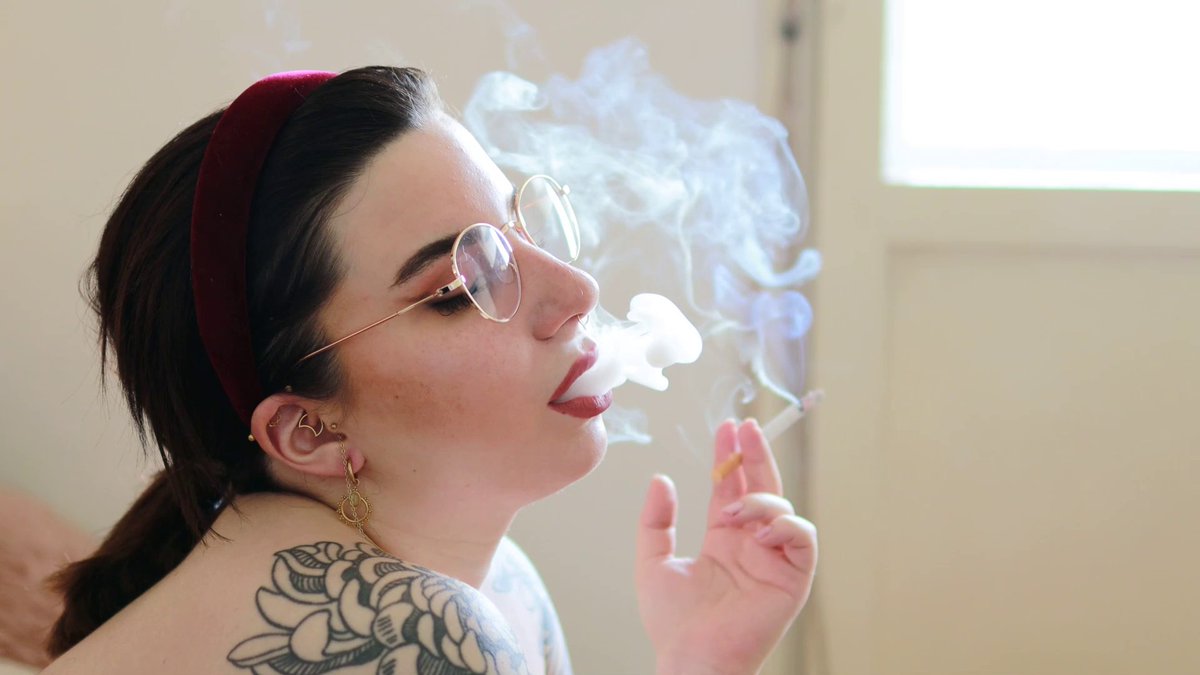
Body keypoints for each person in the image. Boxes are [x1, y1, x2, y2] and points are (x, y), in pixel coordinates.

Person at [43, 66, 816, 674]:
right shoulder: (426, 630)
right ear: (309, 427)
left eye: (519, 233)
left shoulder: (503, 583)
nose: (578, 292)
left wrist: (700, 661)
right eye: (458, 288)